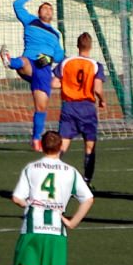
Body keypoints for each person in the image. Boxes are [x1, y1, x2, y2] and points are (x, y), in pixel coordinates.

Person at [11, 130, 94, 265]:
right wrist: (73, 222)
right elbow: (88, 199)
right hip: (56, 230)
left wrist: (29, 205)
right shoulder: (70, 171)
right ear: (61, 147)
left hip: (32, 229)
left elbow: (17, 197)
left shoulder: (31, 168)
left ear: (41, 145)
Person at [0, 0, 65, 152]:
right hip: (28, 64)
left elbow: (59, 56)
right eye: (44, 8)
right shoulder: (31, 21)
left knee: (41, 107)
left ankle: (36, 140)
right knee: (24, 61)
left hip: (43, 71)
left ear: (52, 14)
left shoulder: (56, 34)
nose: (47, 10)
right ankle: (10, 61)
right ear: (39, 12)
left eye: (50, 9)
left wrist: (62, 60)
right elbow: (17, 5)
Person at [51, 32, 106, 190]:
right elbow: (97, 88)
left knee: (63, 145)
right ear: (91, 46)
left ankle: (53, 178)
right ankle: (87, 181)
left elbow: (54, 83)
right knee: (89, 146)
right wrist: (102, 100)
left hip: (69, 107)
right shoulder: (95, 65)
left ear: (77, 45)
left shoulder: (66, 62)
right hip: (87, 109)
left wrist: (69, 84)